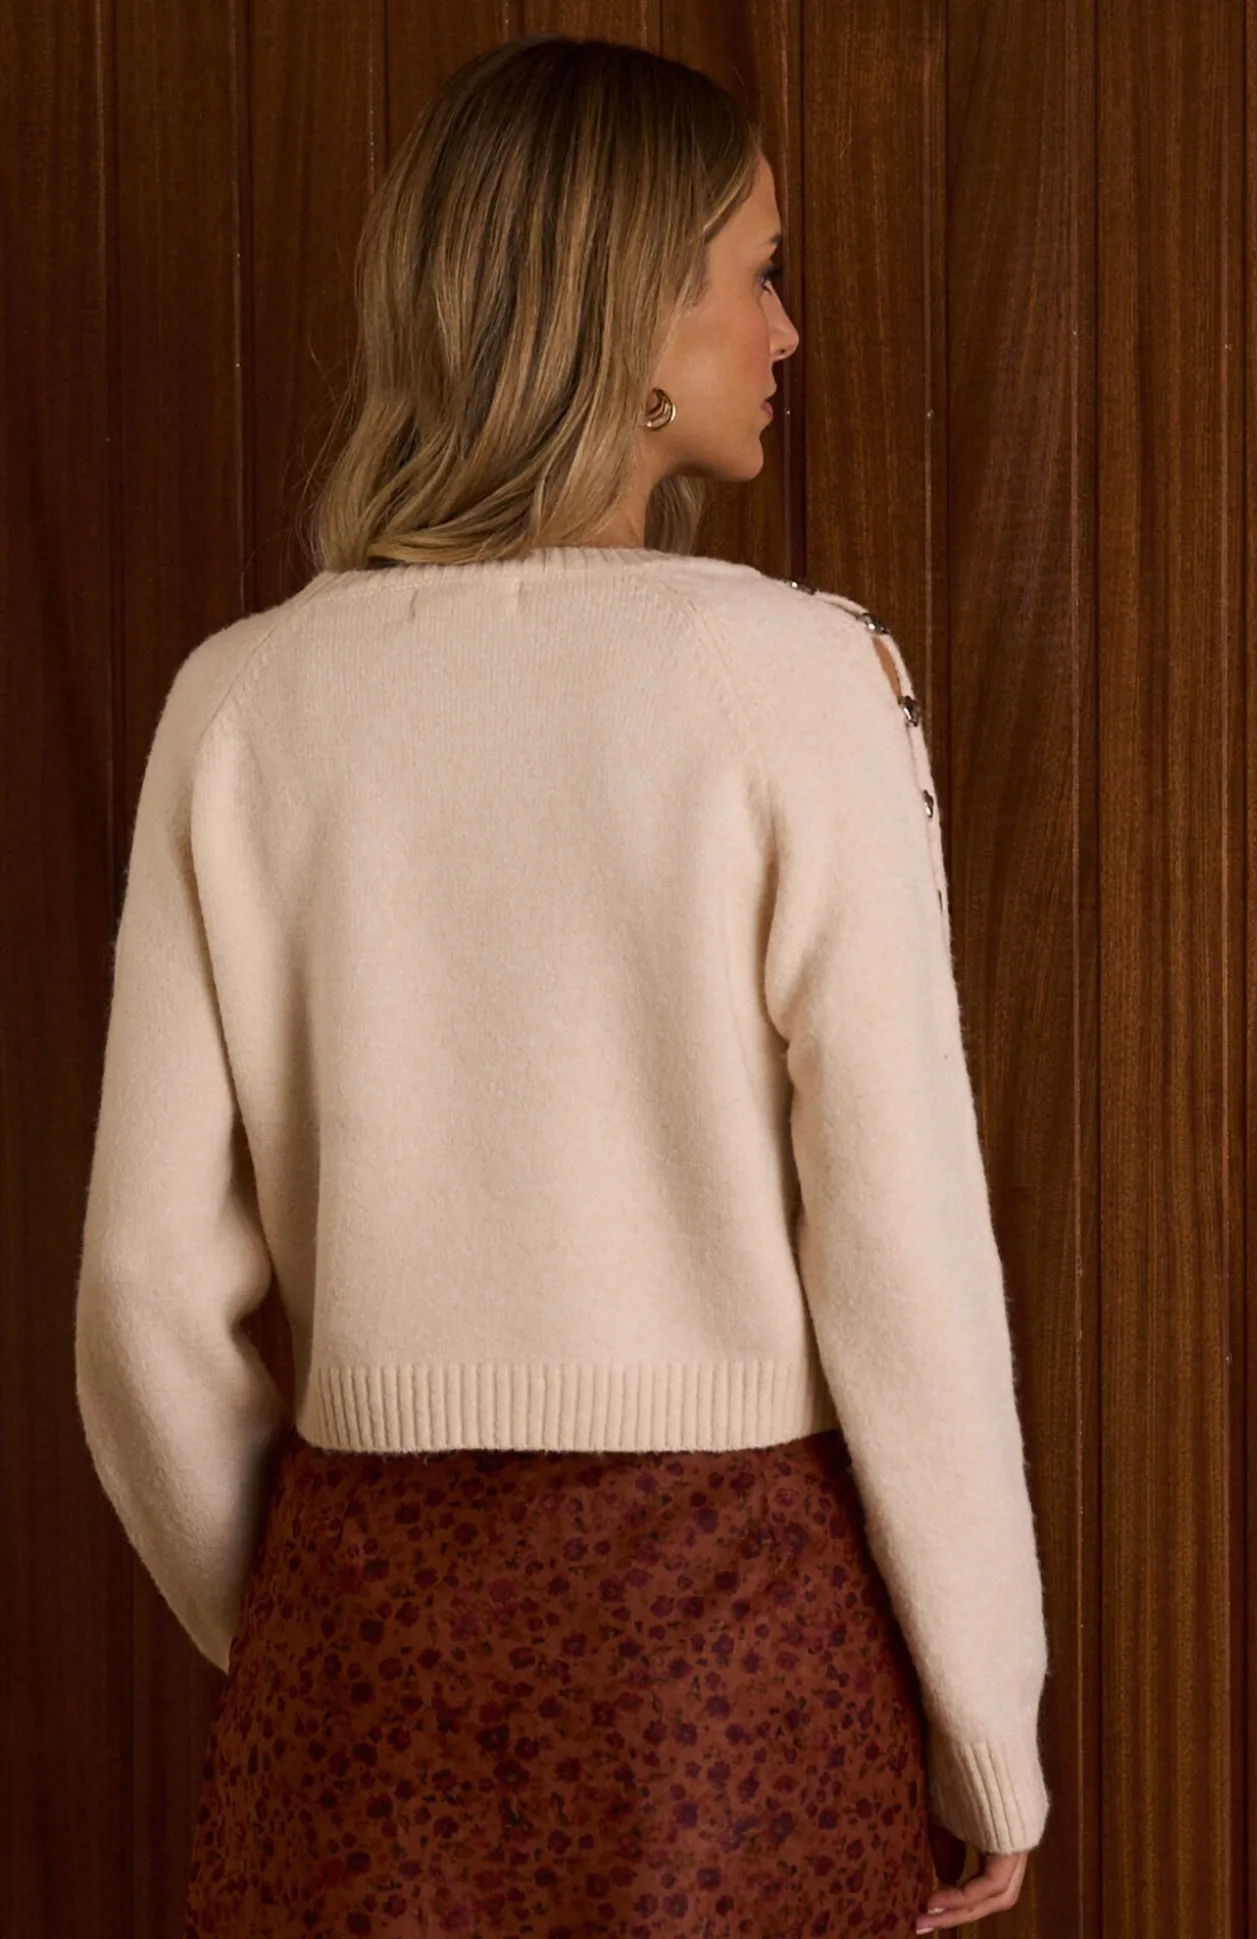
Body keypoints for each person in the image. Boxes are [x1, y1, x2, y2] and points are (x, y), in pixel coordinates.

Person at [73, 31, 1050, 1938]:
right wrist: (985, 1735)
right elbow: (904, 1247)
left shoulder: (241, 705)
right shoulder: (796, 681)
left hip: (363, 1649)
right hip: (736, 1660)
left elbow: (140, 1291)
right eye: (758, 272)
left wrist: (299, 1621)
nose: (786, 331)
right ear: (633, 310)